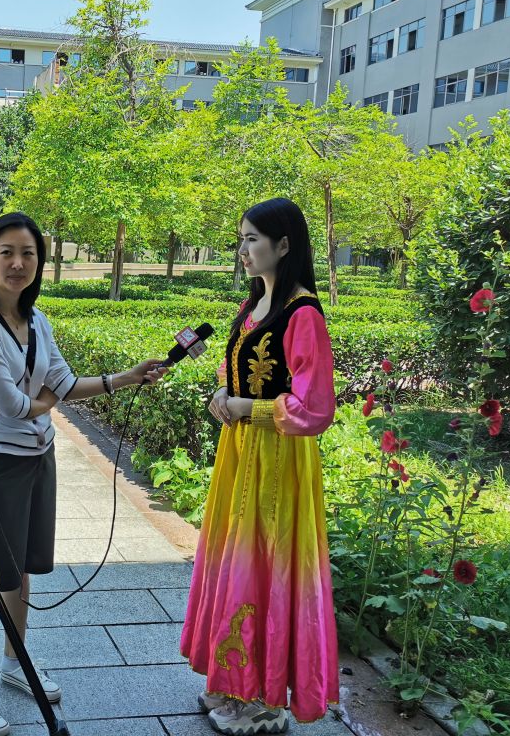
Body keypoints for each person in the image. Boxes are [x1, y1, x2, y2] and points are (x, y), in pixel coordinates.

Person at [0, 212, 167, 736]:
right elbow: (12, 405)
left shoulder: (37, 321)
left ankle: (14, 661)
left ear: (40, 263)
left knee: (20, 566)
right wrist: (46, 402)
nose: (17, 263)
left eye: (28, 253)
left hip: (37, 459)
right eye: (6, 252)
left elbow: (63, 383)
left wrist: (126, 378)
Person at [180, 198, 337, 735]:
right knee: (237, 560)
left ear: (284, 245)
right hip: (241, 454)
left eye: (252, 239)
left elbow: (315, 407)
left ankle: (265, 699)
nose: (243, 249)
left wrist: (250, 408)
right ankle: (233, 682)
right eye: (241, 239)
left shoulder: (302, 313)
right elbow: (238, 373)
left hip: (277, 462)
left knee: (265, 565)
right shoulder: (255, 305)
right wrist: (223, 396)